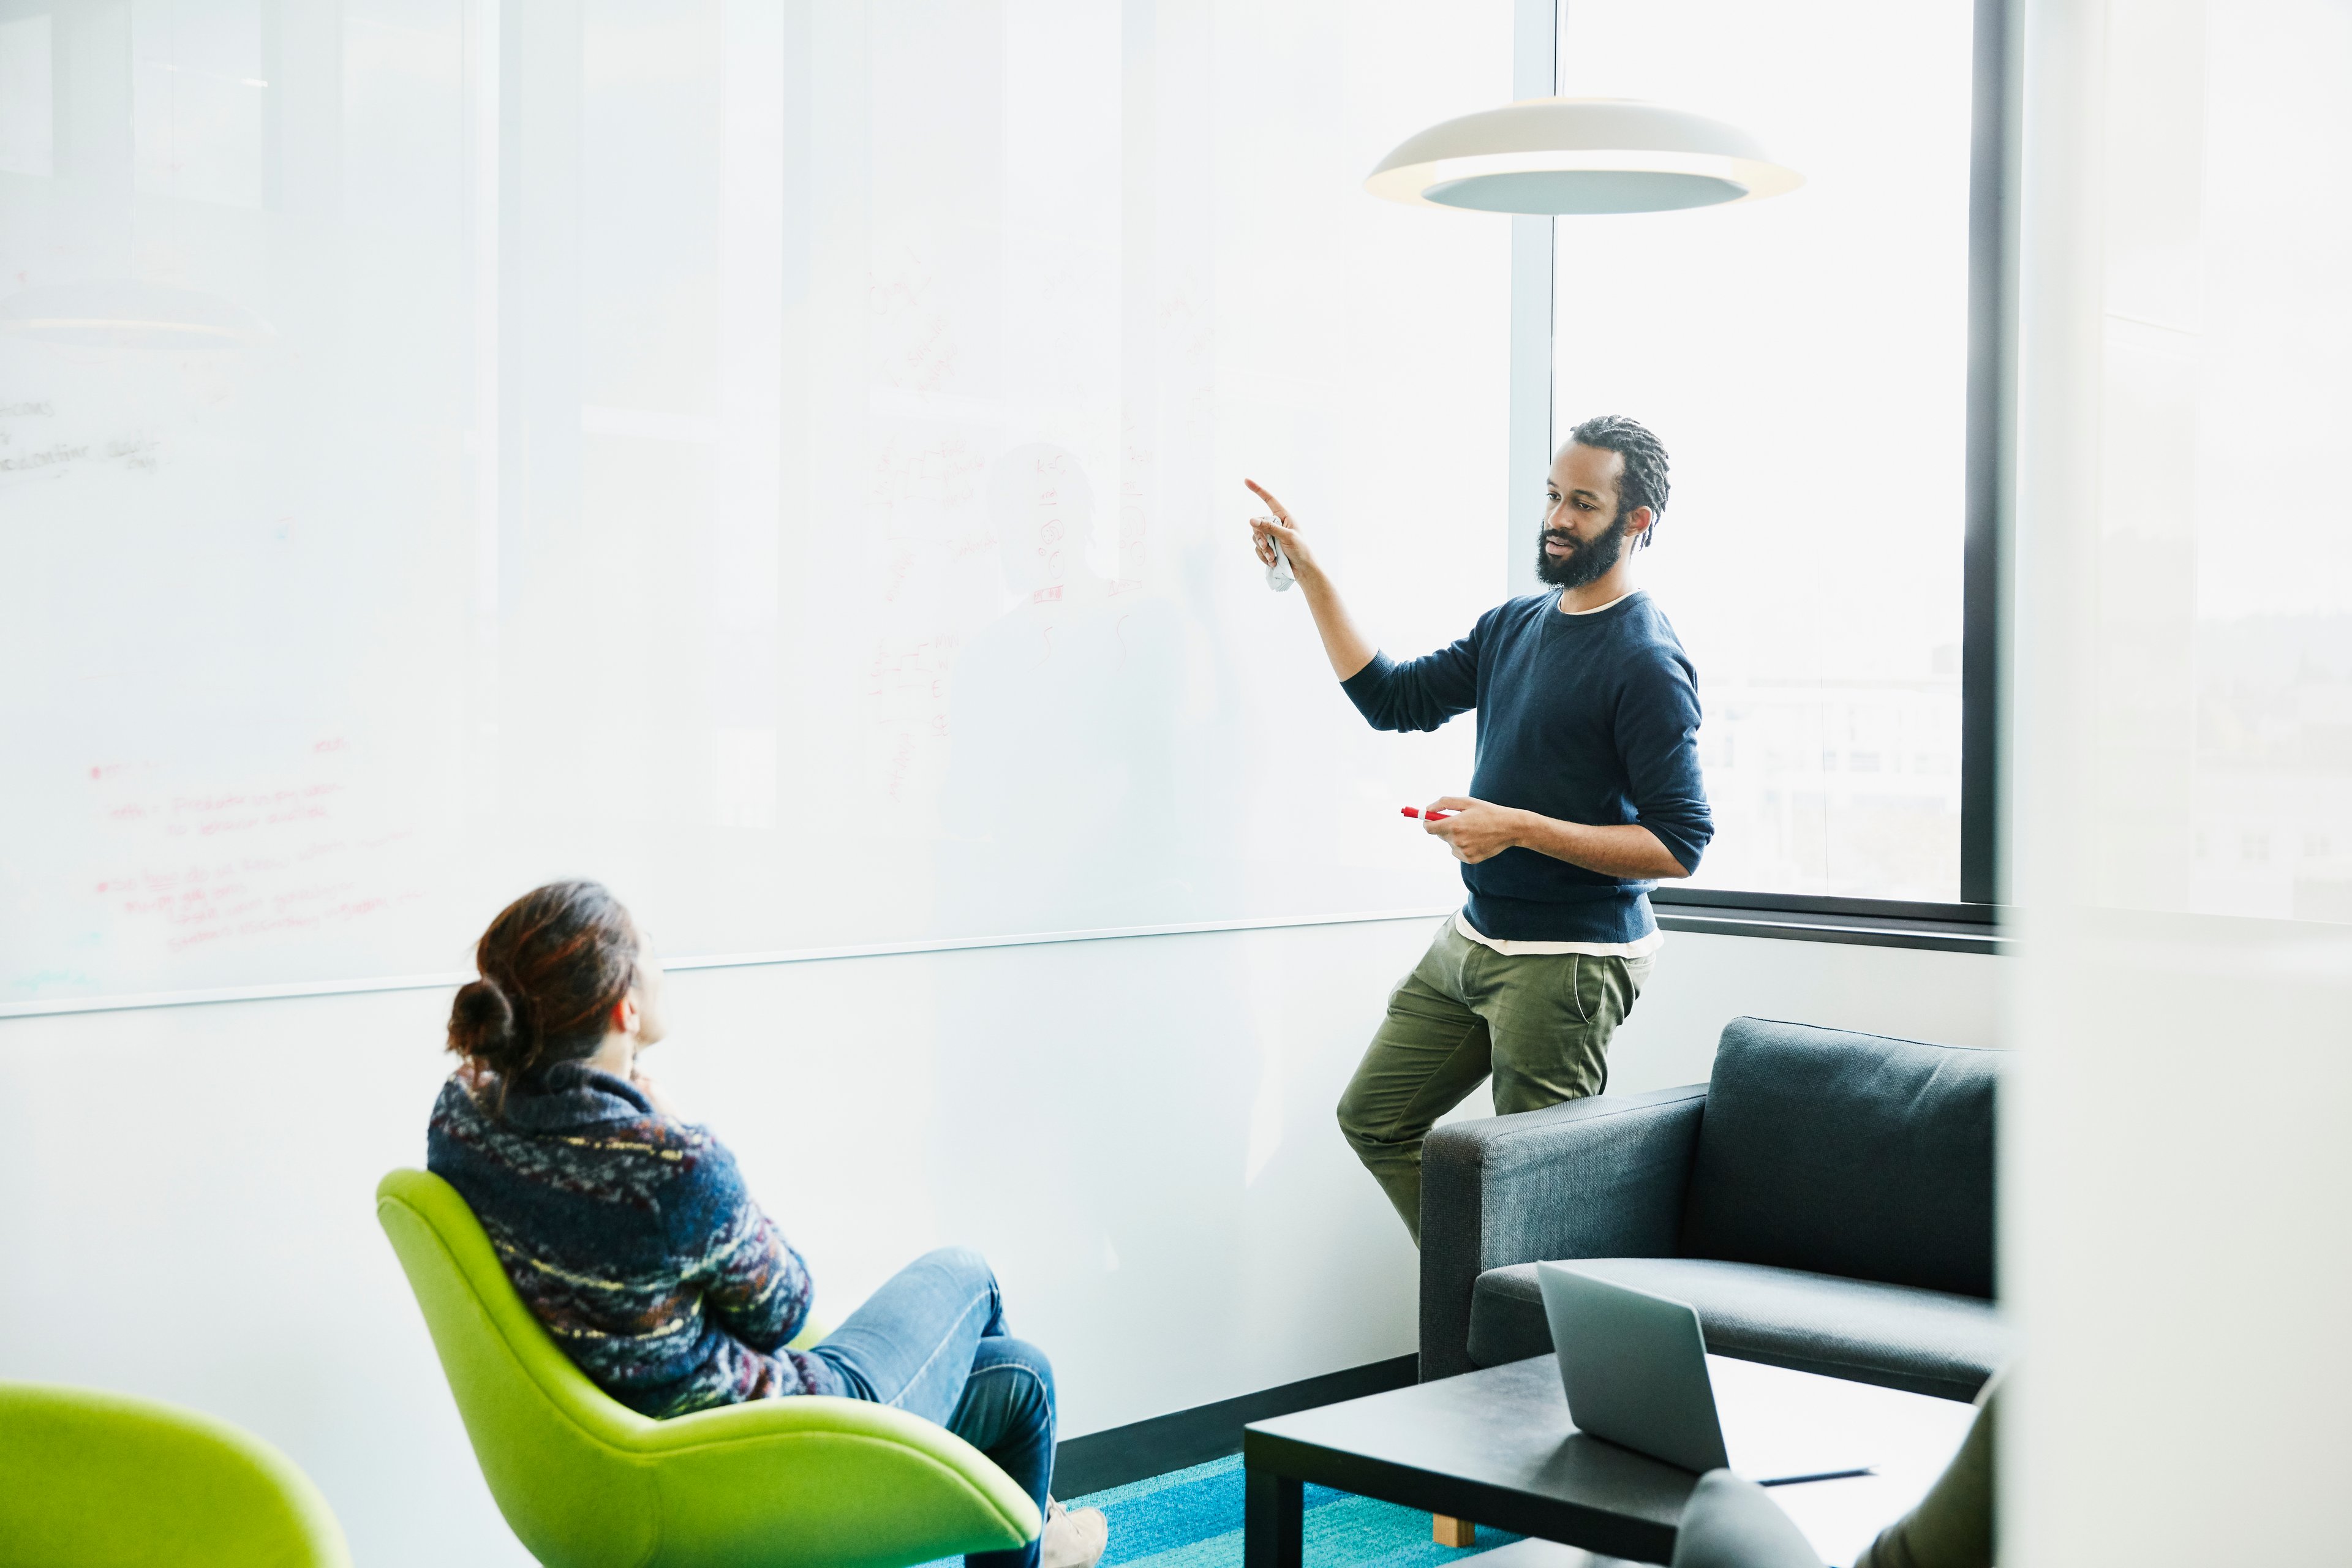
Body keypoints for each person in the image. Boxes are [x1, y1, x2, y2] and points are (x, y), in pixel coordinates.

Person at [426, 880, 1108, 1568]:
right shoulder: (670, 1163)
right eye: (652, 951)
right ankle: (1037, 1530)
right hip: (768, 1439)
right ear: (625, 1006)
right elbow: (784, 1310)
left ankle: (1039, 1531)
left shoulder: (462, 1121)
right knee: (969, 1272)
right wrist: (673, 1125)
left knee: (1023, 1376)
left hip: (637, 1445)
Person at [1247, 415, 1713, 1243]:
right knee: (1377, 1119)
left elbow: (1681, 845)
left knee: (1543, 1205)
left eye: (1584, 503)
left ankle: (1526, 1338)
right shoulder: (1516, 625)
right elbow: (1395, 699)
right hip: (1477, 939)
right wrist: (1312, 574)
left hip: (1568, 962)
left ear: (1636, 522)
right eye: (1552, 496)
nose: (1558, 519)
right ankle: (1483, 1296)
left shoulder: (1645, 659)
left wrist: (1518, 829)